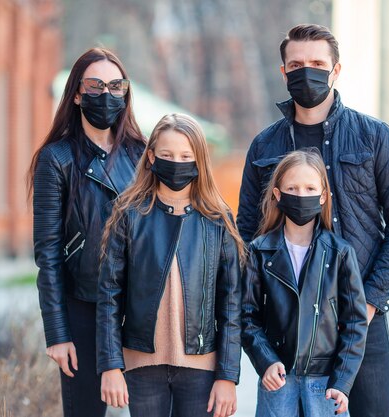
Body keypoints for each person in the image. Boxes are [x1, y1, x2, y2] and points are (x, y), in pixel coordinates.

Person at [236, 24, 389, 417]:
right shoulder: (264, 146)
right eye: (296, 64)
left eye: (317, 63)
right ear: (283, 73)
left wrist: (367, 303)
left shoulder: (375, 138)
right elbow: (246, 231)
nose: (307, 72)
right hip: (288, 330)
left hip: (361, 325)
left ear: (336, 70)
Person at [96, 113, 244, 417]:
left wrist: (228, 375)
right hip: (142, 365)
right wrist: (110, 364)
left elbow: (231, 305)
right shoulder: (129, 214)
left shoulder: (218, 220)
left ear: (200, 160)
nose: (176, 162)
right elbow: (109, 296)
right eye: (167, 155)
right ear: (151, 157)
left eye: (186, 156)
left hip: (201, 366)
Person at [28, 47, 146, 417]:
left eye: (116, 85)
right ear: (77, 94)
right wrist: (57, 333)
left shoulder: (143, 154)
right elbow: (47, 252)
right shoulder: (57, 159)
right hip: (84, 308)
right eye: (95, 86)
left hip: (140, 307)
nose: (106, 94)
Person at [242, 150, 367, 417]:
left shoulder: (341, 253)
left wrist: (343, 382)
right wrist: (265, 361)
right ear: (278, 195)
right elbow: (247, 316)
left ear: (323, 196)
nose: (301, 195)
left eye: (310, 187)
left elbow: (355, 323)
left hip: (326, 383)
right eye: (292, 188)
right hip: (278, 378)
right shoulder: (259, 251)